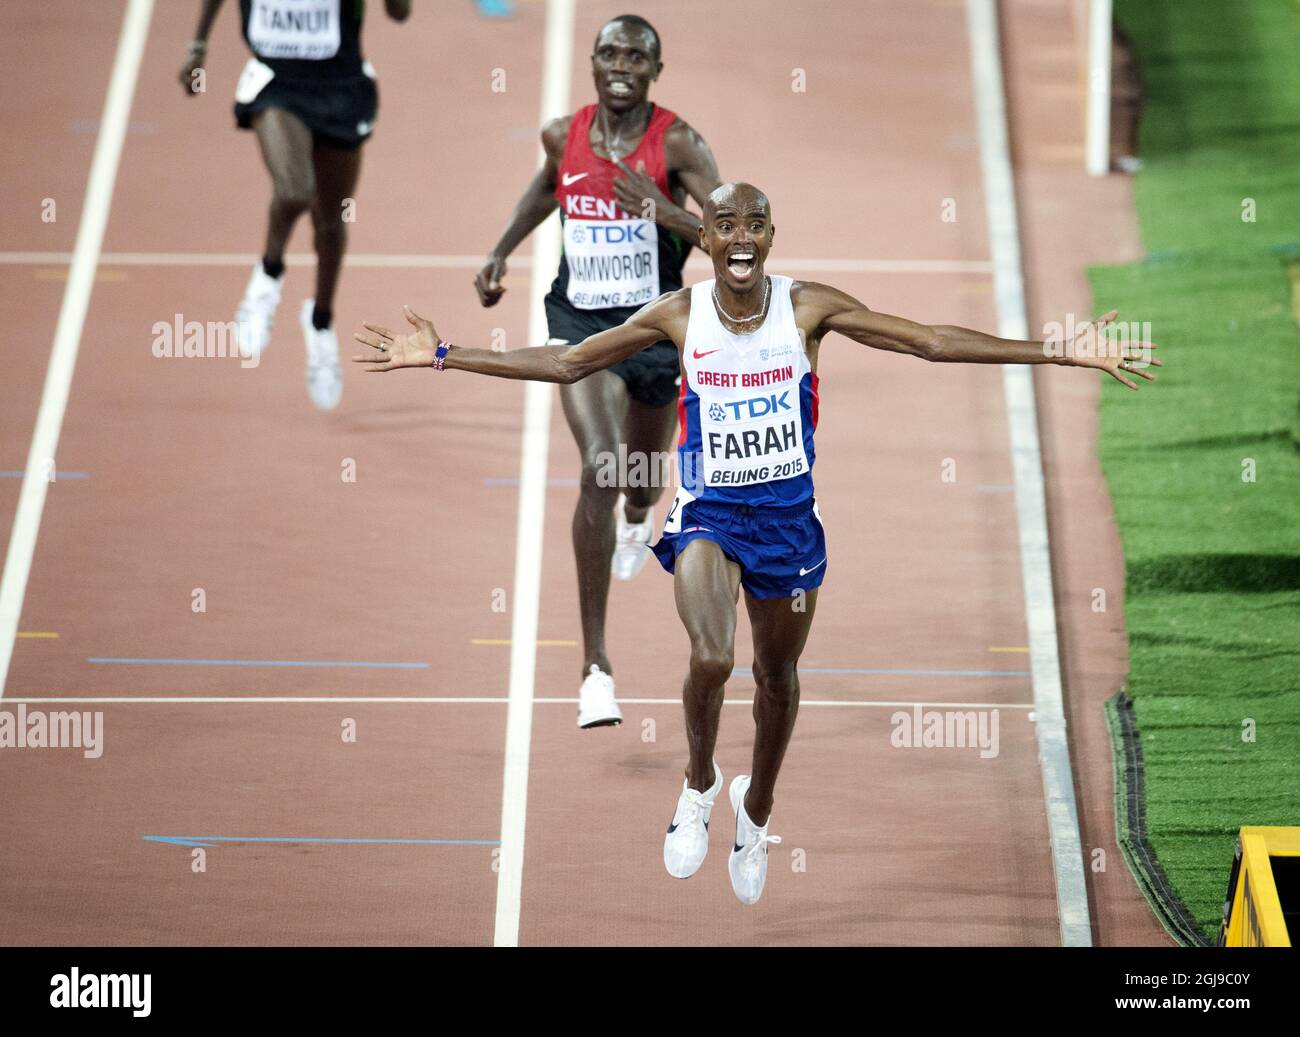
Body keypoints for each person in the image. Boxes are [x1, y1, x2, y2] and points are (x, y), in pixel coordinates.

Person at [353, 182, 1159, 905]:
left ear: (771, 235)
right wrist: (445, 354)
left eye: (755, 223)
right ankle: (699, 783)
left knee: (778, 676)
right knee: (711, 657)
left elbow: (930, 341)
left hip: (789, 527)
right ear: (703, 237)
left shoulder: (807, 309)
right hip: (710, 516)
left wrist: (1062, 349)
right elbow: (569, 362)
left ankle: (756, 808)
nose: (740, 236)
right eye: (724, 222)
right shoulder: (679, 314)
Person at [474, 14, 722, 729]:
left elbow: (728, 233)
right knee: (601, 467)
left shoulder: (676, 142)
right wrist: (500, 251)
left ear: (656, 69)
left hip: (655, 329)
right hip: (583, 323)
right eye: (609, 52)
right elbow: (546, 189)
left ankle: (642, 516)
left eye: (636, 56)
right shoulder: (564, 134)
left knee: (642, 479)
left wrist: (662, 210)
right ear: (591, 62)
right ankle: (594, 668)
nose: (621, 64)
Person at [179, 0, 412, 410]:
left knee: (331, 219)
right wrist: (198, 45)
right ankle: (267, 277)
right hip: (277, 82)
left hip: (342, 87)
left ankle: (320, 323)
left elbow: (399, 13)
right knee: (293, 190)